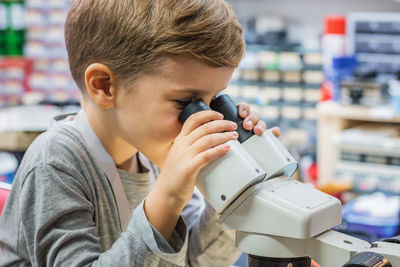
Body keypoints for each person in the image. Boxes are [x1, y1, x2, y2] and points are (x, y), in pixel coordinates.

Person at [0, 0, 280, 266]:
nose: (205, 120)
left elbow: (195, 260)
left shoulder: (152, 152)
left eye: (217, 100)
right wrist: (166, 201)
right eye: (186, 104)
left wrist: (236, 194)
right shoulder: (55, 163)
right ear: (104, 86)